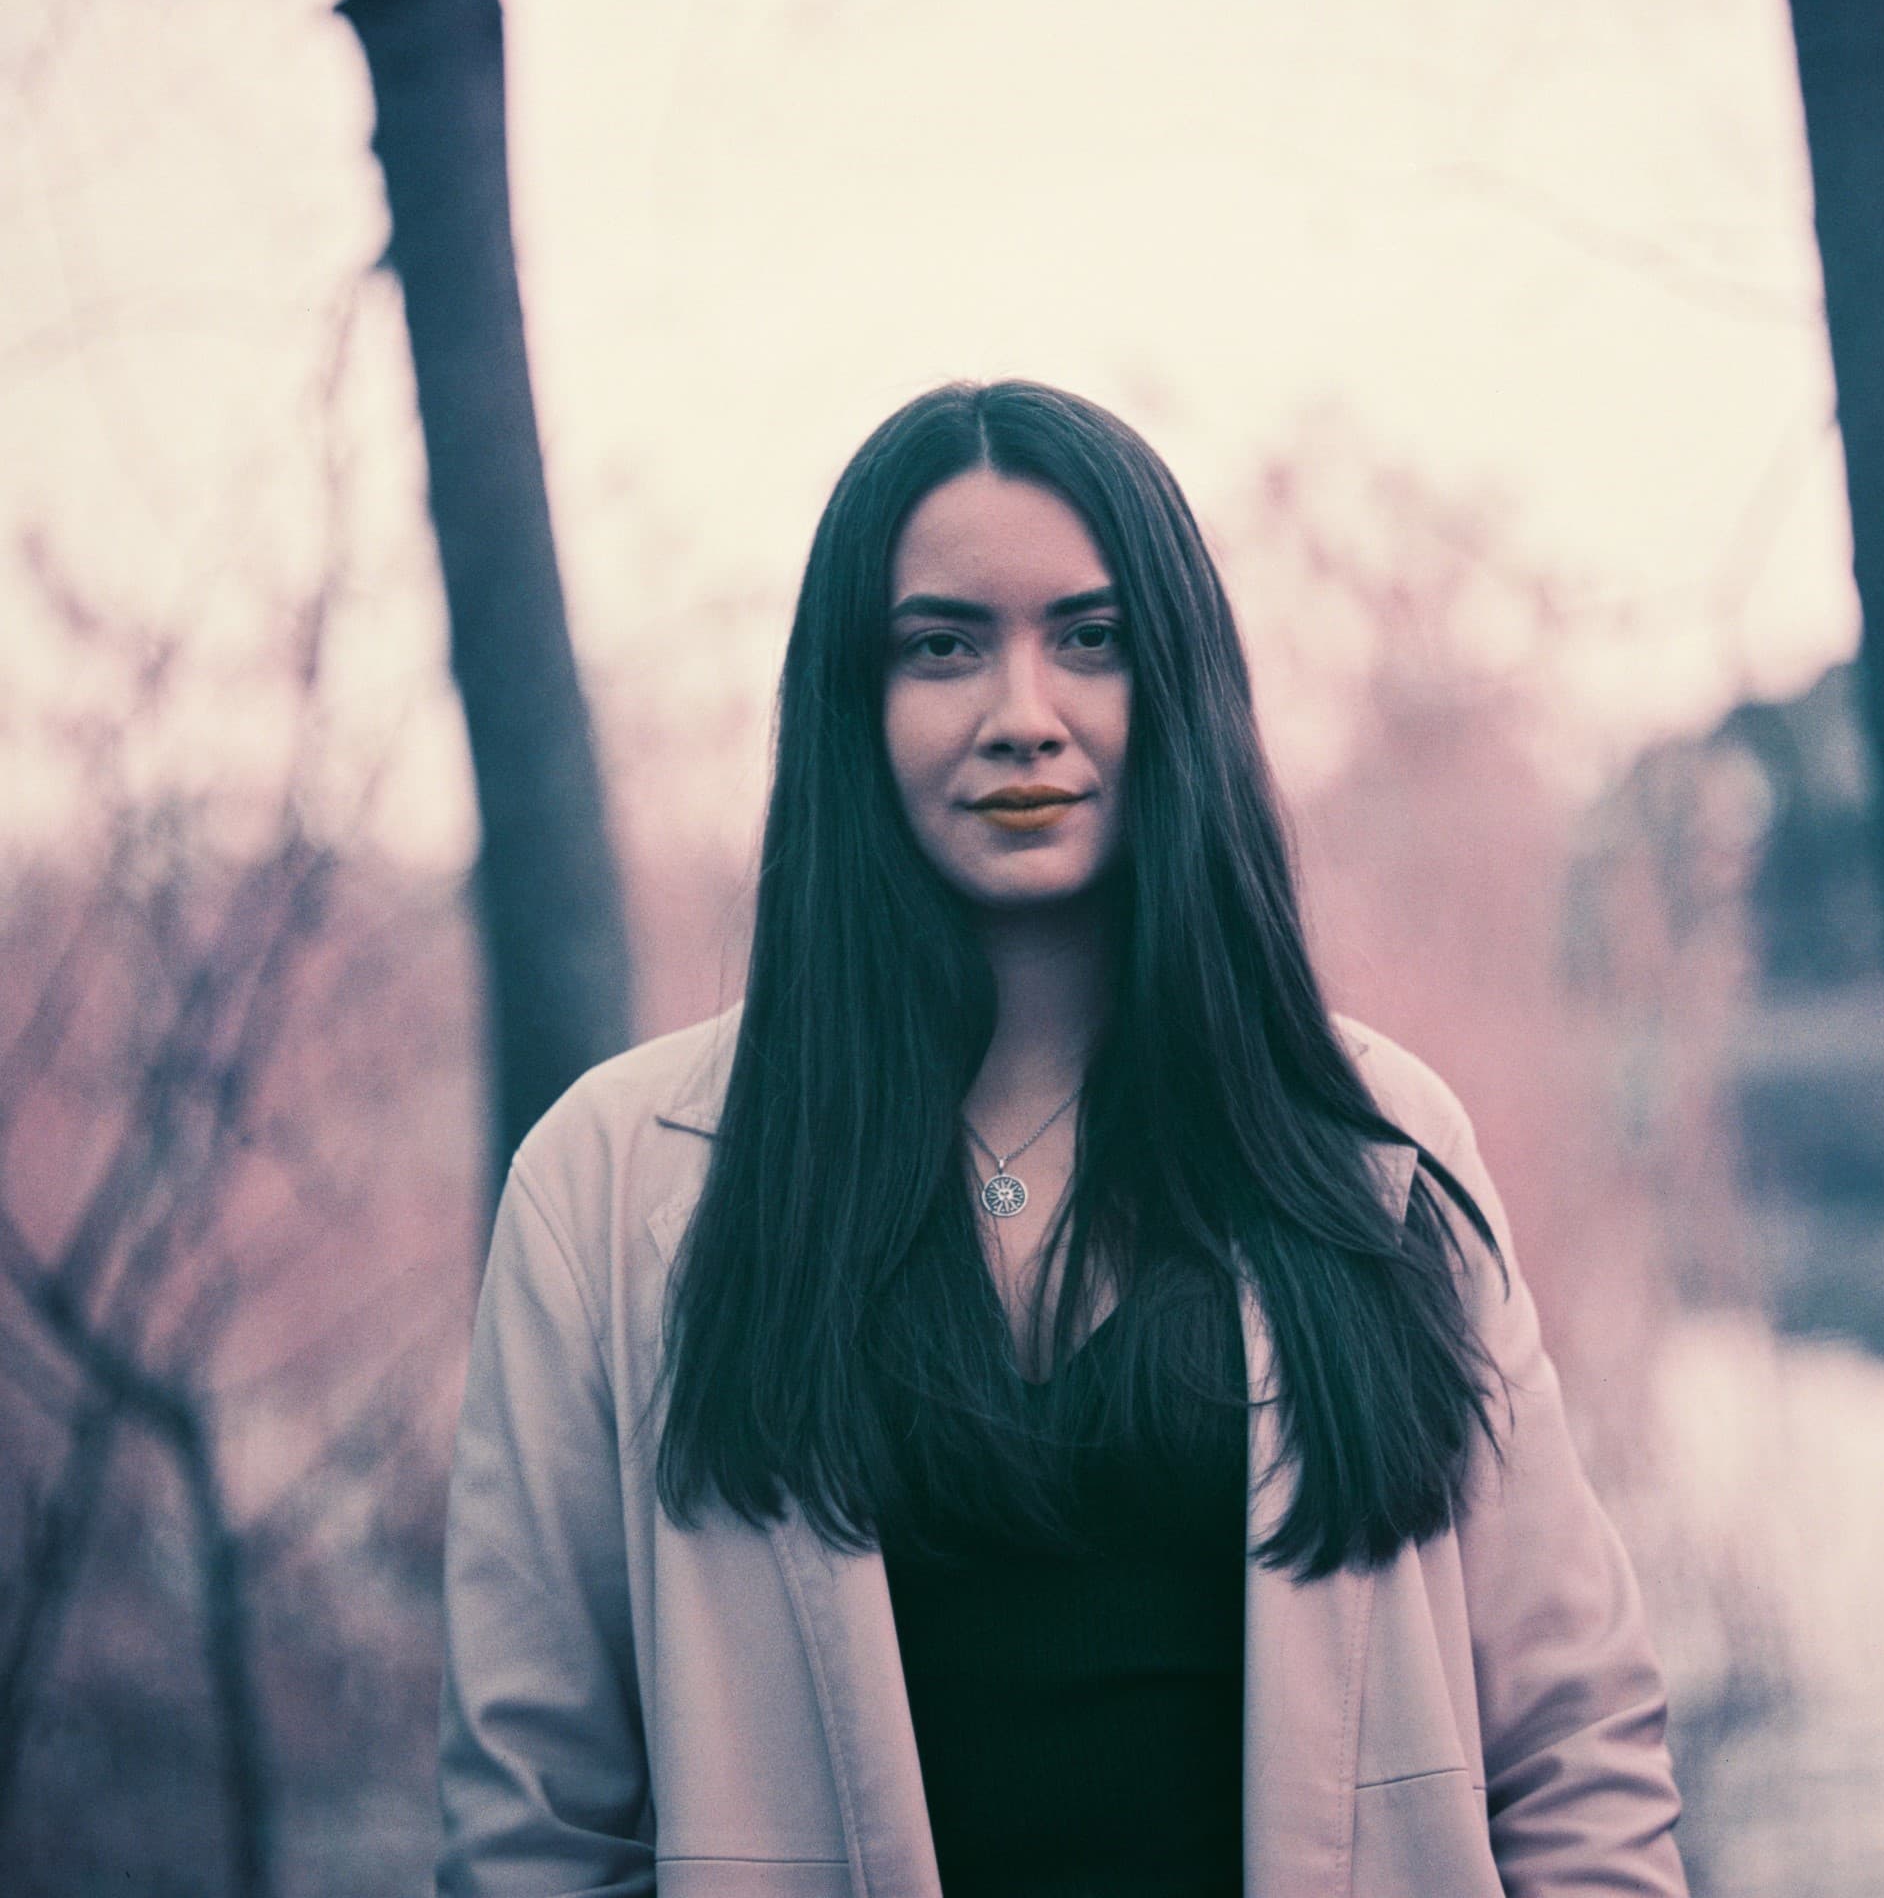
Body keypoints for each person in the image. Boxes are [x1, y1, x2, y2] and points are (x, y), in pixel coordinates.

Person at [435, 380, 1687, 1898]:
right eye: (943, 645)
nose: (1021, 713)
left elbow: (1576, 1745)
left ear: (1177, 688)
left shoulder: (1374, 1150)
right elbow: (538, 1825)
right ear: (854, 702)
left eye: (1089, 639)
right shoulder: (609, 1182)